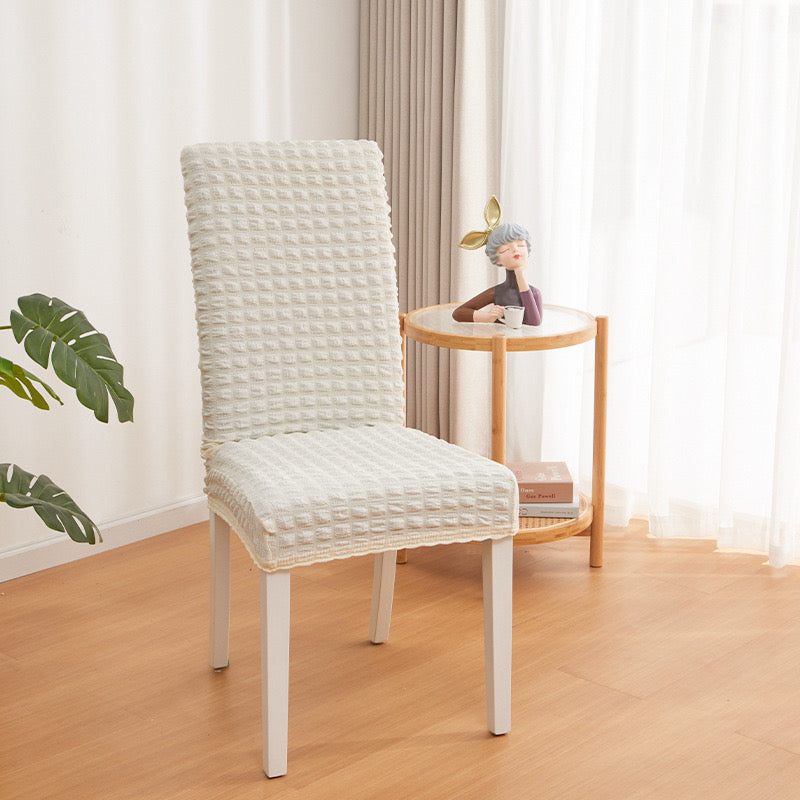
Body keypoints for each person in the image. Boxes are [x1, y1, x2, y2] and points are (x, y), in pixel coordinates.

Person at [453, 219, 543, 325]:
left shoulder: (534, 293)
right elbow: (458, 313)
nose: (515, 250)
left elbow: (534, 322)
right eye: (506, 249)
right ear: (497, 258)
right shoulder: (497, 292)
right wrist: (487, 317)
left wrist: (519, 274)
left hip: (526, 341)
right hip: (499, 340)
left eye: (520, 245)